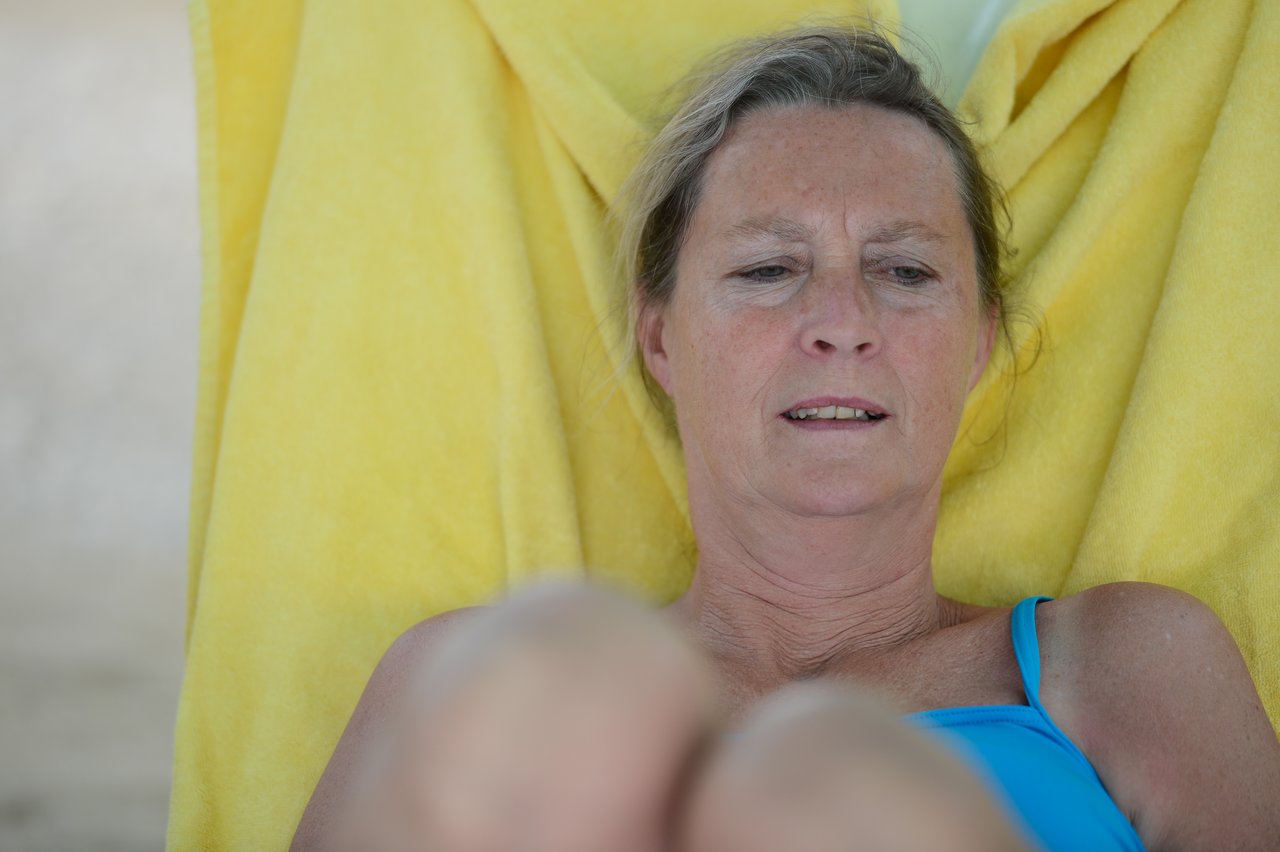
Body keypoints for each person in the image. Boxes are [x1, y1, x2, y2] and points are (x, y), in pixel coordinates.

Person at [290, 26, 1280, 851]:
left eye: (903, 272)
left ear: (977, 345)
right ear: (659, 338)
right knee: (555, 681)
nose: (841, 320)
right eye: (767, 270)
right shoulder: (474, 683)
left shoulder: (1120, 665)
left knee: (821, 785)